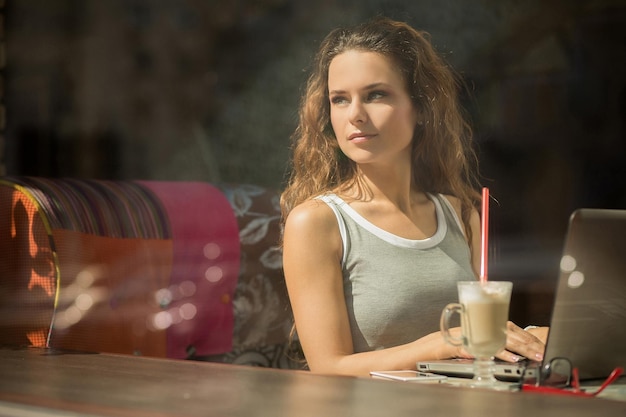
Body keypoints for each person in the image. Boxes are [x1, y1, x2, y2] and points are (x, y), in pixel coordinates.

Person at [280, 16, 547, 377]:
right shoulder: (317, 222)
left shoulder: (460, 213)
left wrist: (530, 339)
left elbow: (476, 343)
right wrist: (443, 343)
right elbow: (328, 366)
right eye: (340, 100)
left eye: (376, 95)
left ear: (420, 108)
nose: (355, 115)